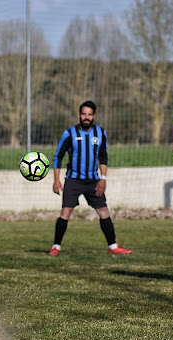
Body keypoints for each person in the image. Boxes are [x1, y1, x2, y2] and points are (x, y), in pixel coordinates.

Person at [48, 100, 132, 256]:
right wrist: (56, 180)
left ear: (94, 116)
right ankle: (56, 247)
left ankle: (113, 246)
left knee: (104, 212)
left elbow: (103, 156)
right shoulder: (69, 134)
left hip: (93, 181)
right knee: (65, 212)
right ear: (79, 115)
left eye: (89, 114)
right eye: (84, 114)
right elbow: (58, 157)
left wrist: (103, 178)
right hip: (73, 180)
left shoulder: (101, 133)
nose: (86, 117)